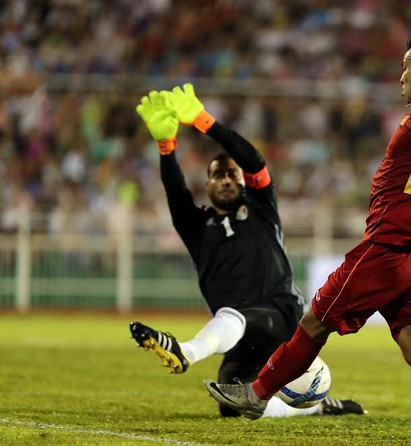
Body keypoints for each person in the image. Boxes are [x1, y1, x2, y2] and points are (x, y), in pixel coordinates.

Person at [203, 25, 411, 419]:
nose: (401, 76)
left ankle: (256, 395)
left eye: (406, 67)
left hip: (388, 248)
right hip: (410, 256)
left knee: (314, 322)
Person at [132, 84, 364, 418]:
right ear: (208, 185)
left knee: (233, 317)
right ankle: (315, 410)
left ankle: (185, 351)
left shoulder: (261, 207)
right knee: (232, 401)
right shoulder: (198, 228)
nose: (226, 179)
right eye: (217, 175)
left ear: (242, 182)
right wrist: (166, 148)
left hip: (282, 318)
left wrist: (203, 121)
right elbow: (176, 195)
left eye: (232, 173)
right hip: (241, 338)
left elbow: (254, 161)